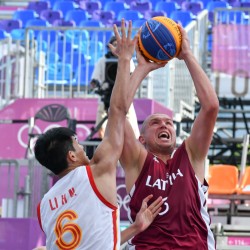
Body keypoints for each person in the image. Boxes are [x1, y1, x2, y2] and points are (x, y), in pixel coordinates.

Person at [34, 19, 163, 249]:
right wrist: (126, 61)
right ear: (72, 156)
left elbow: (93, 241)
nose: (84, 147)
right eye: (78, 145)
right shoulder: (98, 170)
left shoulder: (44, 205)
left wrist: (135, 228)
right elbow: (118, 111)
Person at [120, 24, 219, 249]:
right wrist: (141, 69)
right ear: (141, 139)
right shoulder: (137, 161)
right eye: (155, 122)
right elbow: (119, 112)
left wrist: (187, 55)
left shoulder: (190, 155)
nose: (164, 125)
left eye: (168, 123)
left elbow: (211, 106)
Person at [90, 35, 140, 139]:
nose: (117, 47)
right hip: (106, 96)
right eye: (115, 44)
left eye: (119, 45)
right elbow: (94, 80)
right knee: (101, 123)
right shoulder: (102, 61)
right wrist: (96, 86)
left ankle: (134, 144)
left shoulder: (127, 60)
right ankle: (102, 144)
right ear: (109, 46)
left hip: (124, 96)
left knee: (132, 125)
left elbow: (132, 76)